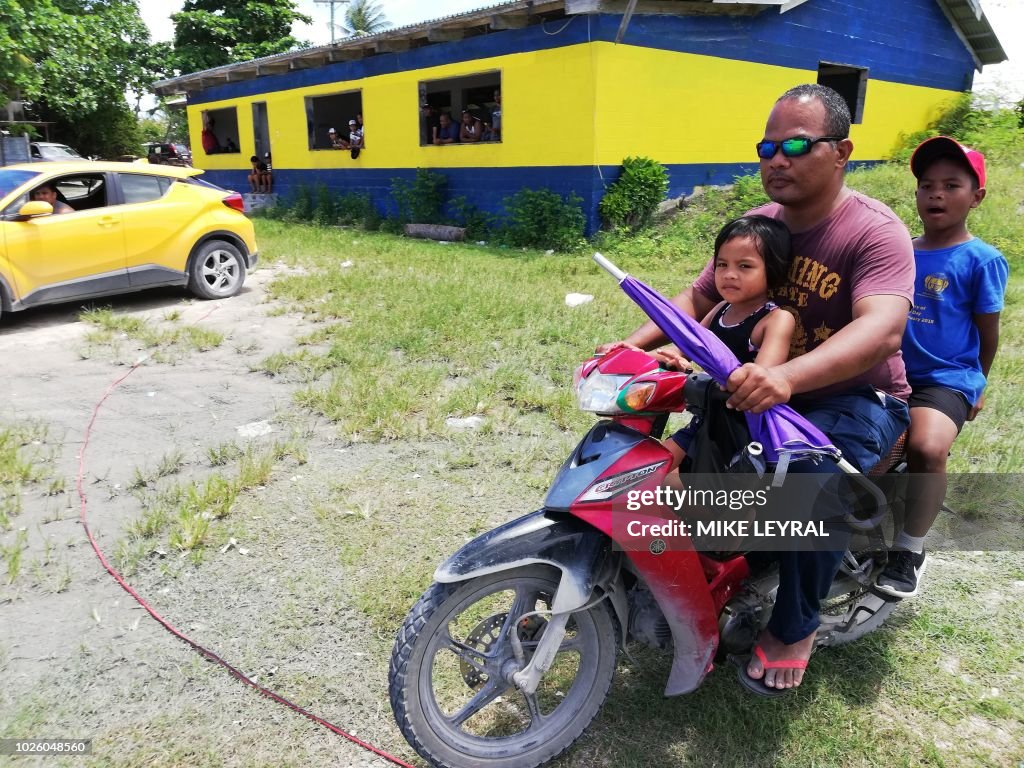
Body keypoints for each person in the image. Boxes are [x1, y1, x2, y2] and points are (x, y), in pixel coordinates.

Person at [598, 83, 914, 694]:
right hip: (754, 389)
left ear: (842, 150)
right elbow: (695, 300)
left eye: (796, 143)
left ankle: (795, 625)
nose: (777, 157)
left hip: (855, 400)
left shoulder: (873, 232)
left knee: (807, 485)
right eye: (767, 144)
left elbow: (883, 328)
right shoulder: (758, 226)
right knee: (660, 458)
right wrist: (628, 350)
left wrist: (787, 375)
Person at [873, 137, 1008, 599]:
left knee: (928, 448)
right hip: (887, 372)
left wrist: (976, 383)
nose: (936, 194)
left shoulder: (982, 259)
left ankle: (909, 549)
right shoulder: (899, 250)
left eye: (952, 185)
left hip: (943, 379)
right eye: (927, 185)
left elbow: (987, 333)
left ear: (977, 196)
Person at [658, 215, 795, 473]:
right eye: (722, 265)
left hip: (745, 432)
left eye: (744, 266)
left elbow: (761, 379)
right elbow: (691, 344)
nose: (729, 275)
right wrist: (675, 356)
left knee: (696, 497)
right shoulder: (721, 309)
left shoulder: (775, 319)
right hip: (708, 418)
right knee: (648, 471)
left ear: (773, 270)